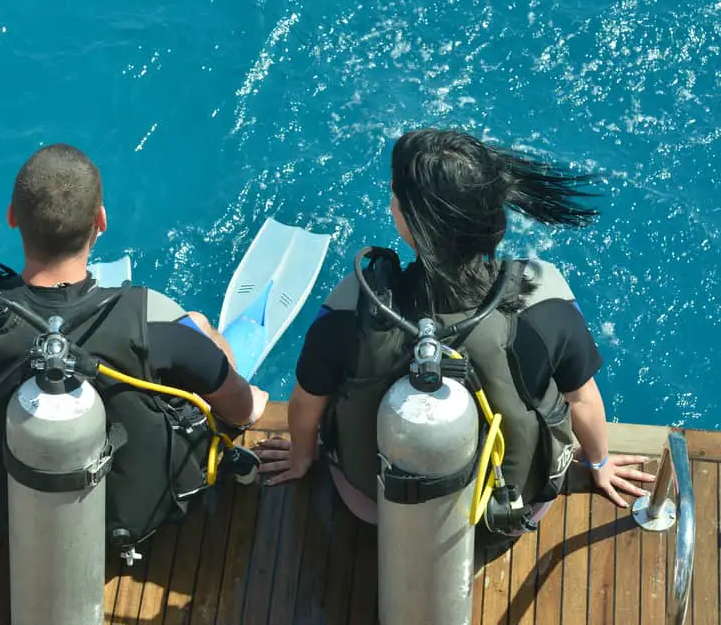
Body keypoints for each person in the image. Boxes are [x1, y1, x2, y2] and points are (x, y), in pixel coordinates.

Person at [252, 128, 655, 559]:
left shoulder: (354, 307)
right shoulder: (543, 305)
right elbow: (582, 402)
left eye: (396, 196)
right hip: (514, 507)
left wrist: (300, 458)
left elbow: (307, 402)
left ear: (413, 223)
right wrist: (598, 464)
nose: (391, 202)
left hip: (372, 505)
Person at [0, 143, 268, 545]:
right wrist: (228, 369)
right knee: (199, 328)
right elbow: (240, 409)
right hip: (130, 523)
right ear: (101, 220)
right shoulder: (153, 319)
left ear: (12, 218)